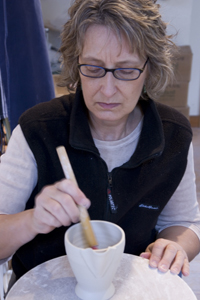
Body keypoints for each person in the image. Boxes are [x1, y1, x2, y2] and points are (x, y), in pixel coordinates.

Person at [0, 0, 200, 282]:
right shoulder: (37, 129)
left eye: (126, 70)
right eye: (93, 68)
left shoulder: (174, 135)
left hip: (129, 285)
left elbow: (185, 223)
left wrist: (175, 246)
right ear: (74, 62)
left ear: (150, 68)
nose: (107, 90)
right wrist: (32, 220)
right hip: (45, 287)